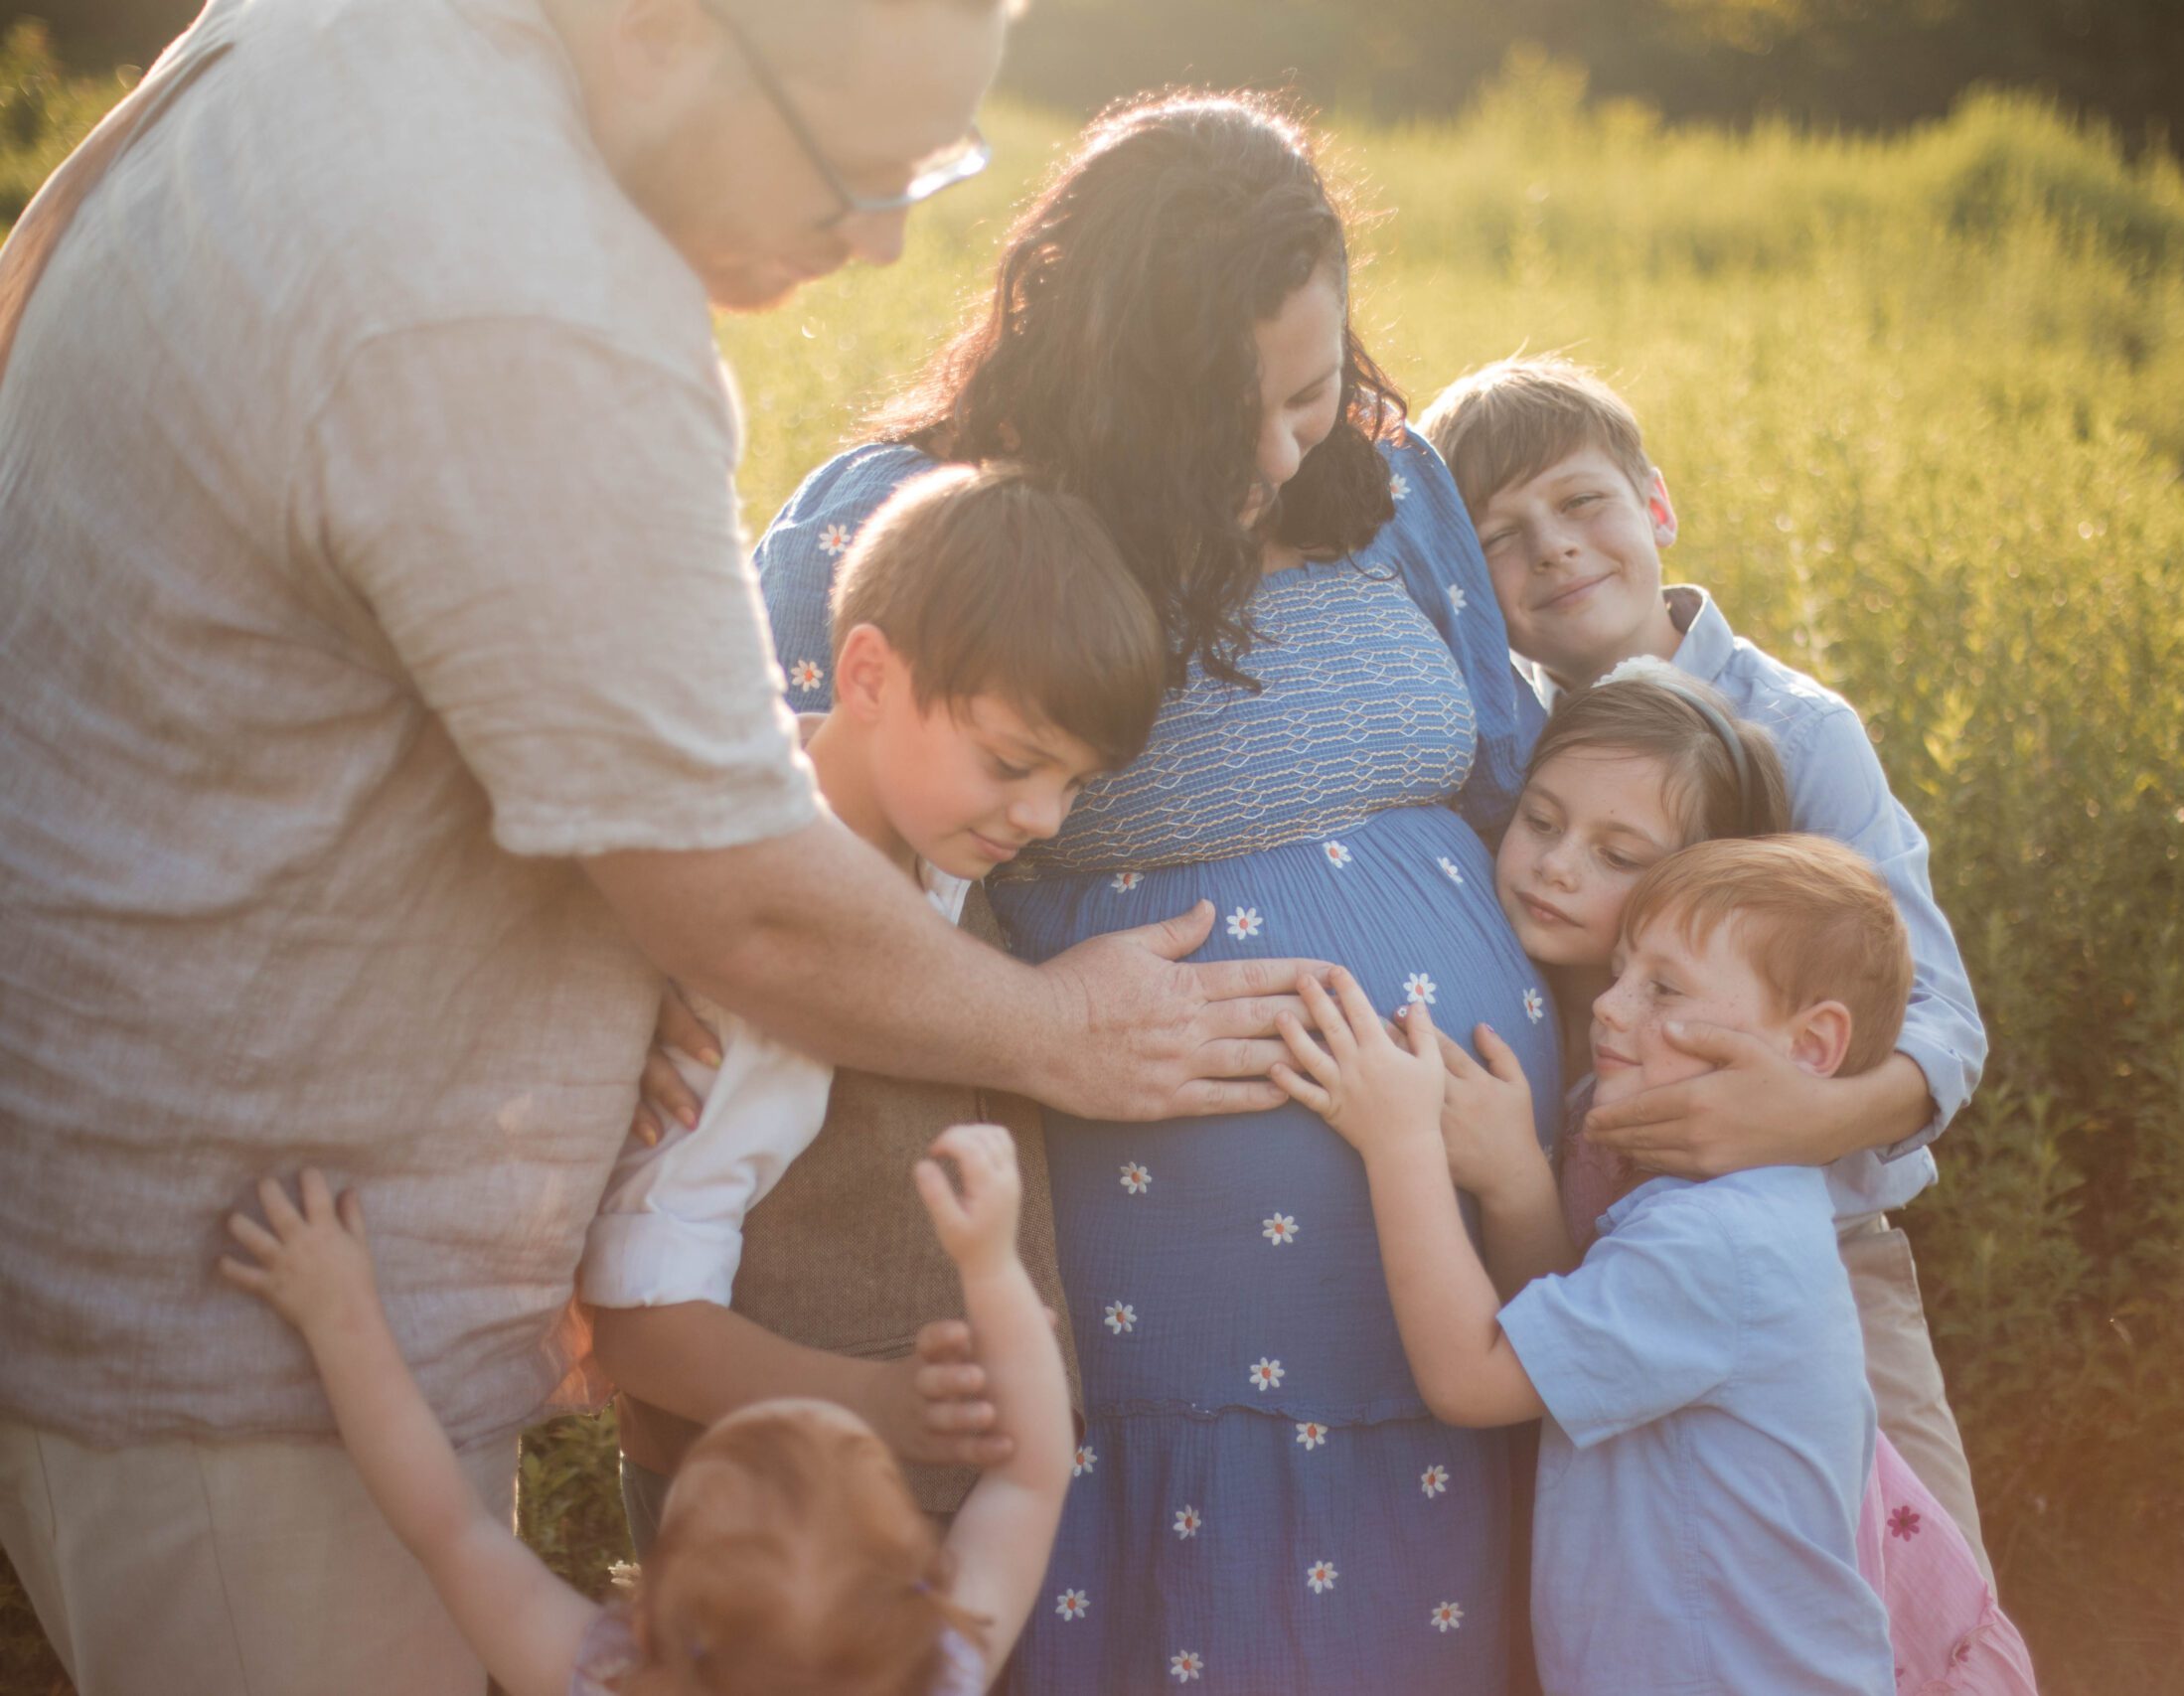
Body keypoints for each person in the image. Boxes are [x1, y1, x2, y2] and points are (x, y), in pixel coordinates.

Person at [0, 3, 1313, 1689]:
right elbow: (746, 907)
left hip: (163, 1268)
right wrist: (1054, 1031)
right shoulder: (517, 291)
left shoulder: (322, 40)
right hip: (245, 1356)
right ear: (664, 22)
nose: (890, 237)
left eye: (934, 168)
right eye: (862, 165)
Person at [752, 92, 1559, 1692]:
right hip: (1144, 1358)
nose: (1278, 453)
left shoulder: (1389, 492)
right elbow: (763, 849)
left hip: (1473, 1306)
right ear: (1112, 377)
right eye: (1224, 414)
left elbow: (1520, 800)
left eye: (1310, 391)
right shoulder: (899, 523)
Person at [1420, 354, 1998, 1574]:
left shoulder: (1792, 731)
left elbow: (1943, 1018)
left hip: (1817, 1263)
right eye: (1503, 537)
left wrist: (1806, 1114)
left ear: (1657, 506)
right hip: (1598, 1260)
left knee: (1905, 1584)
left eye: (1583, 505)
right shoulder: (1500, 747)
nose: (1556, 550)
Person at [581, 464, 1166, 1550]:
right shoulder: (766, 974)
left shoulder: (916, 844)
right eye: (1012, 763)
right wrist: (878, 1407)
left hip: (891, 1529)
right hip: (775, 1554)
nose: (1042, 817)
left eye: (1074, 784)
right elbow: (639, 1322)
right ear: (866, 675)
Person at [1272, 836, 1925, 1696]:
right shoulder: (1726, 1211)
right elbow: (1561, 1340)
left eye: (1664, 987)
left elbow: (1475, 1377)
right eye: (1618, 972)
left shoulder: (1718, 1247)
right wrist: (1512, 1179)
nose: (1610, 1007)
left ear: (1811, 1046)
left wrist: (1399, 1139)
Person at [218, 1122, 1072, 1696]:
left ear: (656, 1605)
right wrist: (991, 1263)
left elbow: (446, 1525)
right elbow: (1032, 1479)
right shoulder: (935, 1671)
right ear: (922, 1596)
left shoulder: (612, 1674)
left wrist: (339, 1317)